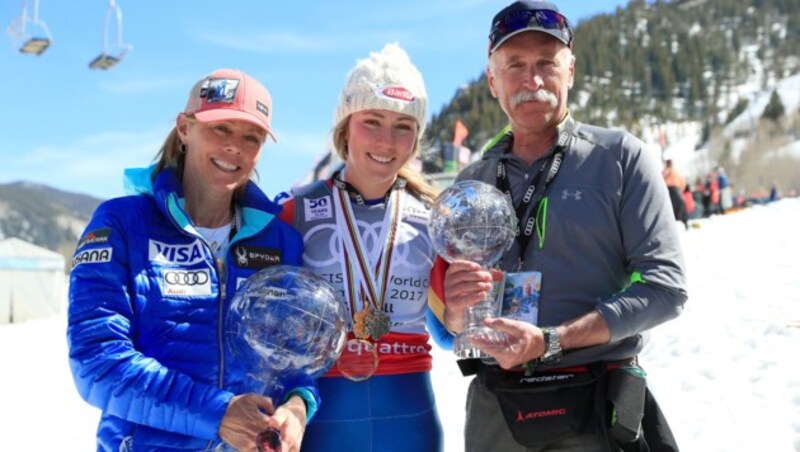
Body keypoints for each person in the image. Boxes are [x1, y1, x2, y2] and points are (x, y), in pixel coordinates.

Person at [427, 2, 688, 451]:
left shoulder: (621, 158)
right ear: (492, 80)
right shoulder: (471, 183)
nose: (532, 81)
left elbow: (667, 289)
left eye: (546, 63)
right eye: (515, 66)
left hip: (596, 406)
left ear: (570, 70)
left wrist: (552, 341)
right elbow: (448, 326)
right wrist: (454, 309)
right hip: (496, 411)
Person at [67, 68, 318, 452]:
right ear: (185, 128)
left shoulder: (281, 241)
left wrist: (298, 405)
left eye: (251, 137)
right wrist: (216, 413)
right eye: (221, 128)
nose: (235, 146)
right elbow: (97, 362)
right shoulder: (122, 223)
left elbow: (295, 356)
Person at [278, 43, 444, 451]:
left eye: (403, 126)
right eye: (373, 121)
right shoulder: (293, 211)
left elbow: (450, 332)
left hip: (409, 415)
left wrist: (468, 304)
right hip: (323, 412)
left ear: (416, 138)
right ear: (345, 127)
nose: (386, 140)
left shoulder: (435, 218)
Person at [662, 159, 689, 229]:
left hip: (669, 190)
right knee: (680, 207)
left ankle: (673, 225)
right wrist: (681, 190)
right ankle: (684, 222)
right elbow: (683, 182)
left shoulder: (666, 171)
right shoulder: (677, 172)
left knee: (670, 208)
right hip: (676, 190)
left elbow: (661, 180)